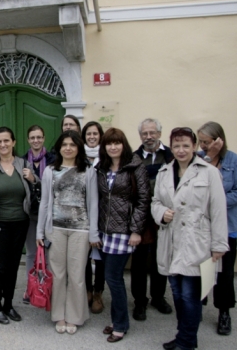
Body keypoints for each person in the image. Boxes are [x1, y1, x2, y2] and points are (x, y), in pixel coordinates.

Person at [152, 127, 229, 350]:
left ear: (194, 146)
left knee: (190, 295)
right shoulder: (164, 172)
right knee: (176, 292)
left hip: (197, 242)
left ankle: (185, 343)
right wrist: (161, 214)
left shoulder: (209, 172)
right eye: (176, 145)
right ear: (171, 147)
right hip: (172, 241)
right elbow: (155, 202)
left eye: (186, 145)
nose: (181, 150)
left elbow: (218, 210)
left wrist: (219, 245)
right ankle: (185, 336)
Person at [36, 131, 99, 334]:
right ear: (59, 148)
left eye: (72, 144)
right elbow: (45, 202)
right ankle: (59, 315)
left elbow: (94, 203)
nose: (68, 148)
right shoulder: (50, 171)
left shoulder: (88, 172)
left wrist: (94, 233)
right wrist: (40, 232)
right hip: (56, 229)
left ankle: (75, 316)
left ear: (78, 148)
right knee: (58, 274)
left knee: (77, 274)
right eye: (64, 144)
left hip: (80, 230)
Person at [93, 128, 149, 343]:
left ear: (123, 144)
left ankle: (121, 324)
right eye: (109, 143)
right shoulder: (101, 168)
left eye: (117, 143)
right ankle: (117, 320)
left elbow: (143, 201)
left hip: (123, 232)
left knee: (113, 278)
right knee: (111, 278)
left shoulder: (135, 167)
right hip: (104, 231)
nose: (113, 147)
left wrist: (136, 230)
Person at [0, 127, 37, 325]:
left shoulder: (23, 164)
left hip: (20, 223)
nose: (2, 145)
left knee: (12, 267)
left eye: (6, 141)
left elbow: (36, 187)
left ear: (13, 142)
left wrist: (33, 178)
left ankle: (9, 304)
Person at [197, 121, 237, 336]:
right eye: (200, 142)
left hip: (227, 227)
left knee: (224, 273)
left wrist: (216, 201)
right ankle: (198, 306)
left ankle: (224, 312)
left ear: (219, 140)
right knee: (201, 270)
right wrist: (208, 157)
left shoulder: (235, 161)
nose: (203, 146)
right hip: (201, 227)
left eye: (206, 142)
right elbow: (193, 182)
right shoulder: (199, 159)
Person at [130, 118, 174, 321]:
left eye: (152, 132)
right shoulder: (134, 158)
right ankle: (140, 301)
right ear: (140, 136)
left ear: (159, 133)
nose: (149, 137)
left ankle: (158, 296)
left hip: (165, 215)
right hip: (142, 215)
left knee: (161, 257)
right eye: (145, 133)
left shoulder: (171, 156)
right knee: (139, 261)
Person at [22, 125, 54, 304]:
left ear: (43, 138)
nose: (36, 140)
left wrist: (35, 180)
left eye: (39, 137)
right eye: (32, 137)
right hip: (30, 212)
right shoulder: (20, 160)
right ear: (28, 140)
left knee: (49, 253)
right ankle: (31, 288)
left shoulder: (53, 160)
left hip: (49, 212)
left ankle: (47, 287)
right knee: (31, 253)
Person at [81, 121, 106, 314]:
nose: (91, 137)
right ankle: (87, 290)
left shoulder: (106, 157)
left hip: (104, 212)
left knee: (100, 257)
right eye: (88, 134)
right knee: (85, 255)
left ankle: (98, 292)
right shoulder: (79, 157)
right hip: (82, 212)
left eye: (95, 134)